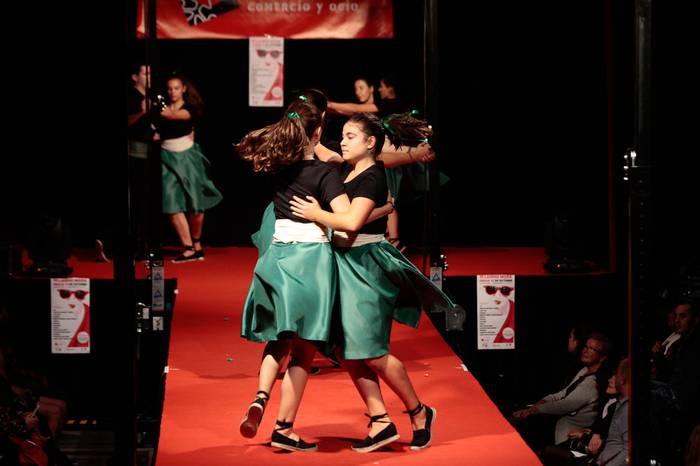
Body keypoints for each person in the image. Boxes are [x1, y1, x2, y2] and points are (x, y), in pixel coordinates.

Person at [290, 112, 457, 451]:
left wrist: (315, 214)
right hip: (342, 263)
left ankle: (419, 412)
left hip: (366, 267)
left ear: (370, 143)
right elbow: (321, 149)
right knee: (344, 348)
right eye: (343, 135)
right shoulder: (348, 168)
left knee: (373, 352)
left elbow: (352, 222)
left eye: (350, 136)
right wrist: (305, 121)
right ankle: (380, 419)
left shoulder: (372, 177)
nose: (343, 141)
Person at [236, 99, 350, 452]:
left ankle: (260, 396)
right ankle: (284, 428)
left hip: (276, 258)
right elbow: (347, 221)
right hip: (309, 262)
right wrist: (322, 215)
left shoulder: (280, 168)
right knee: (303, 351)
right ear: (318, 133)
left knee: (278, 338)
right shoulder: (325, 174)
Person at [158, 72, 222, 263]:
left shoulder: (189, 108)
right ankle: (187, 248)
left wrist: (153, 107)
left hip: (187, 157)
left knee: (196, 204)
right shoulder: (163, 106)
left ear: (184, 89)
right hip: (166, 156)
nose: (173, 92)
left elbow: (172, 116)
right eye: (170, 88)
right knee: (171, 203)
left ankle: (196, 244)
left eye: (176, 88)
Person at [511, 333, 611, 450]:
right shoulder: (584, 370)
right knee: (522, 423)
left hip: (567, 432)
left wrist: (535, 410)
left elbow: (565, 405)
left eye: (592, 349)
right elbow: (562, 394)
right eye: (585, 347)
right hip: (555, 422)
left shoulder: (593, 382)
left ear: (602, 357)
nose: (585, 351)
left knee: (524, 428)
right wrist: (539, 403)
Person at [539, 357, 625, 465]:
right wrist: (587, 432)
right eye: (612, 376)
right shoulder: (608, 400)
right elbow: (600, 428)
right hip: (586, 444)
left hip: (598, 454)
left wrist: (585, 435)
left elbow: (609, 441)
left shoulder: (621, 408)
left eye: (616, 377)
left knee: (549, 452)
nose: (610, 380)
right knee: (546, 450)